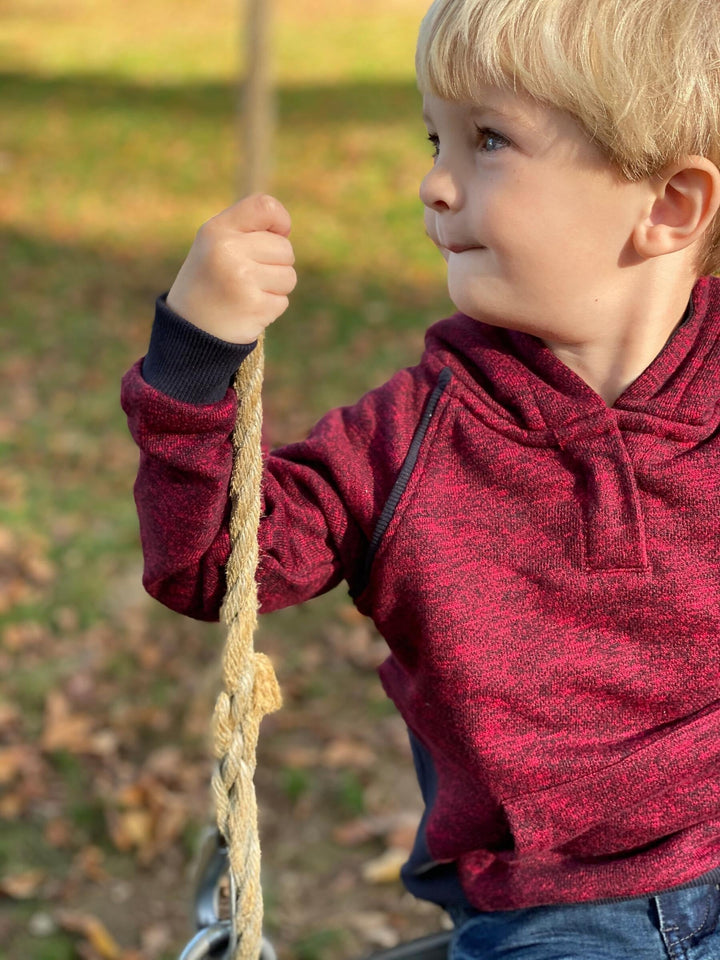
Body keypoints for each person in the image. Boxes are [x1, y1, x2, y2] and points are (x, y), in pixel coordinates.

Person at [122, 0, 720, 956]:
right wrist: (195, 359)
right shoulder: (406, 442)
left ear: (668, 206)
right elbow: (216, 566)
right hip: (557, 912)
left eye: (488, 139)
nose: (434, 183)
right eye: (435, 136)